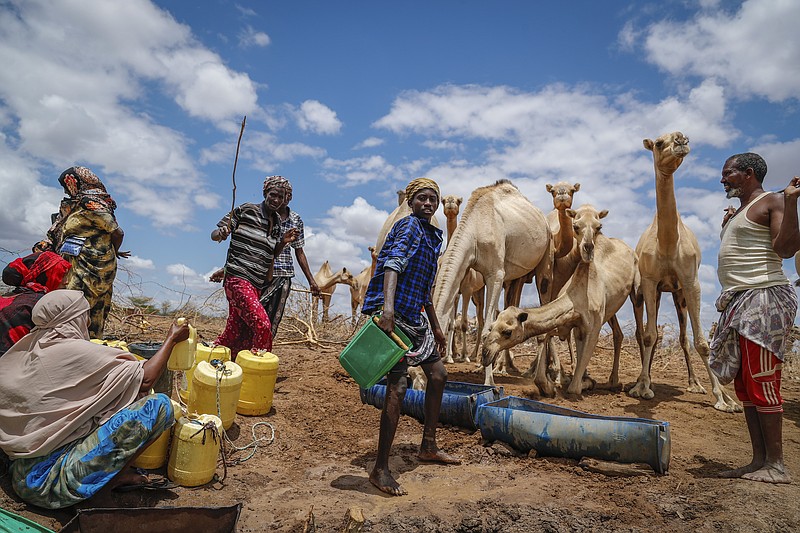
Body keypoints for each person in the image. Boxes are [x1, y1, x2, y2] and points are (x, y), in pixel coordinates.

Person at [0, 290, 190, 509]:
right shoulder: (72, 350)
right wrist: (172, 339)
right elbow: (145, 379)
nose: (88, 320)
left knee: (110, 402)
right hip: (51, 483)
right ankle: (104, 489)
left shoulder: (27, 348)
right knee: (159, 407)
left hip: (22, 476)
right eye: (85, 314)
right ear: (73, 317)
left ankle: (109, 477)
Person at [360, 177, 460, 496]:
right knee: (398, 386)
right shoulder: (409, 227)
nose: (428, 204)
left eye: (433, 199)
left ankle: (428, 445)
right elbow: (392, 265)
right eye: (422, 199)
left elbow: (426, 290)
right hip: (396, 316)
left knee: (439, 374)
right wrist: (387, 311)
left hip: (415, 318)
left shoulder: (433, 237)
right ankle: (380, 469)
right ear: (411, 202)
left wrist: (438, 327)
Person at [709, 152, 800, 484]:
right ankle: (759, 460)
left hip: (764, 299)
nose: (722, 180)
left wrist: (790, 204)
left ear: (748, 173)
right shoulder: (741, 211)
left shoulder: (773, 200)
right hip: (741, 302)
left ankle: (777, 465)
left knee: (762, 380)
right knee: (745, 384)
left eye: (727, 173)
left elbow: (786, 249)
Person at [211, 176, 320, 339]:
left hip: (281, 275)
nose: (281, 200)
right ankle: (244, 352)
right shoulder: (254, 213)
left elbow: (299, 251)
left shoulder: (294, 220)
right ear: (266, 193)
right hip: (256, 277)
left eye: (285, 196)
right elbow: (248, 250)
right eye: (275, 195)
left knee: (270, 321)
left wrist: (311, 281)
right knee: (248, 318)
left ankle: (260, 353)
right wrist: (226, 269)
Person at [33, 166, 129, 338]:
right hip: (81, 263)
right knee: (85, 307)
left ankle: (77, 348)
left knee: (77, 306)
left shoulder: (89, 202)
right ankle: (84, 346)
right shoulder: (79, 203)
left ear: (74, 182)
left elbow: (117, 231)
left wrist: (116, 250)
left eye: (66, 185)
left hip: (91, 266)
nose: (65, 190)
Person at [0, 251, 72, 356]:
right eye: (61, 275)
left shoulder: (10, 296)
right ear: (44, 276)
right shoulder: (42, 303)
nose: (66, 281)